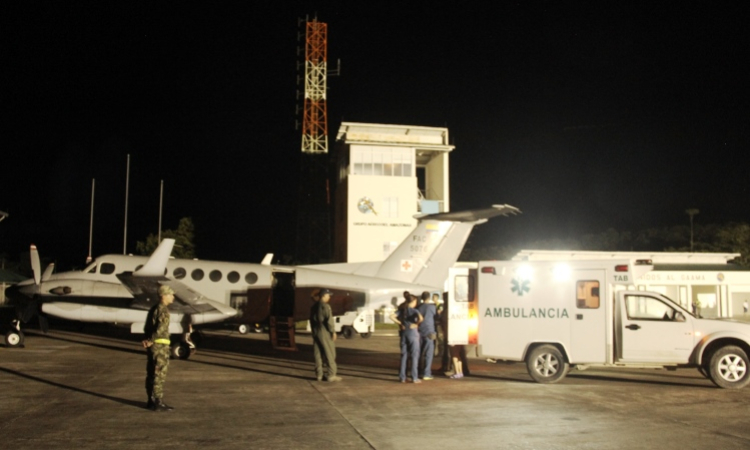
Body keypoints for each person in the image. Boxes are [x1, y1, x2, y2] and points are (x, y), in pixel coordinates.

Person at [143, 285, 176, 411]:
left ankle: (150, 401)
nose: (173, 297)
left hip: (153, 346)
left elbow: (147, 327)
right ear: (164, 296)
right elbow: (161, 328)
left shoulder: (154, 309)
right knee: (159, 374)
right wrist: (151, 340)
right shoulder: (163, 310)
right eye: (170, 294)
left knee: (151, 373)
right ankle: (158, 401)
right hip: (160, 347)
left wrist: (147, 339)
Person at [310, 288, 341, 382]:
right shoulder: (325, 306)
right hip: (324, 332)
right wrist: (333, 332)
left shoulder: (314, 306)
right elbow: (329, 320)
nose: (329, 297)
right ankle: (331, 374)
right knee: (329, 352)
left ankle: (319, 374)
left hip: (316, 331)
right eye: (328, 295)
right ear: (323, 295)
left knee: (318, 353)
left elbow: (311, 320)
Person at [391, 294, 423, 383]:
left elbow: (392, 316)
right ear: (412, 302)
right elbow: (421, 318)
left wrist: (400, 323)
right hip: (413, 333)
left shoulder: (402, 310)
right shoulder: (414, 310)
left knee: (404, 355)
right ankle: (414, 377)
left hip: (404, 333)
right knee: (414, 355)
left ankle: (402, 377)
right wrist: (416, 324)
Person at [417, 291, 437, 380]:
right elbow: (437, 317)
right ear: (429, 298)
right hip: (430, 331)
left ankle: (418, 371)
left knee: (420, 352)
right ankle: (426, 373)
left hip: (420, 331)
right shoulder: (432, 307)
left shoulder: (418, 307)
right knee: (429, 353)